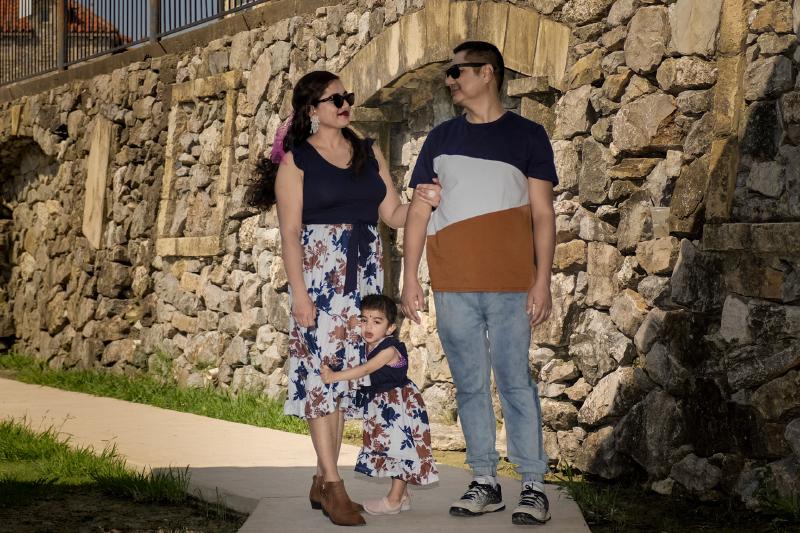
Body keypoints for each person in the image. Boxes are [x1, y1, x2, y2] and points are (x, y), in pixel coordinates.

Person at [250, 70, 440, 527]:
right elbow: (291, 234)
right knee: (320, 380)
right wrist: (299, 294)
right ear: (312, 110)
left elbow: (393, 214)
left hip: (363, 279)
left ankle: (321, 478)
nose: (344, 104)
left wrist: (423, 201)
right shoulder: (297, 162)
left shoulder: (368, 151)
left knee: (340, 383)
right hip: (317, 279)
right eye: (333, 99)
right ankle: (333, 484)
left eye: (346, 96)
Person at [400, 41, 558, 526]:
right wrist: (410, 280)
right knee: (470, 386)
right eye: (449, 74)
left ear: (487, 73)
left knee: (515, 383)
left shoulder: (528, 136)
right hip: (452, 286)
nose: (450, 80)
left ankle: (533, 486)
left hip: (513, 285)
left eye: (458, 72)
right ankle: (485, 480)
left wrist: (543, 281)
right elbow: (418, 215)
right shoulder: (439, 139)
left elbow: (543, 215)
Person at [321, 294, 439, 516]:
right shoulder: (367, 344)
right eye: (364, 320)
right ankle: (402, 495)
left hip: (400, 405)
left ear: (390, 328)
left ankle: (393, 500)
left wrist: (334, 377)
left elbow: (366, 370)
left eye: (377, 322)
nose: (368, 326)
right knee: (392, 448)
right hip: (386, 405)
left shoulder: (388, 350)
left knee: (400, 449)